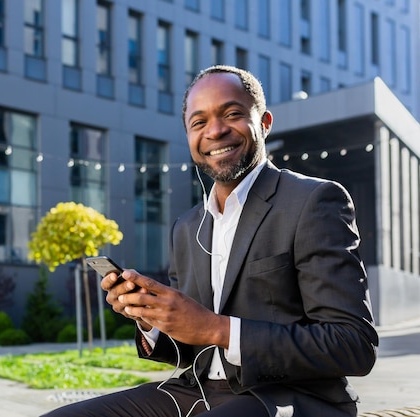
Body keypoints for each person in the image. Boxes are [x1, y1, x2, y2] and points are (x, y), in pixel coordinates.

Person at [42, 65, 378, 417]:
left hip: (288, 397)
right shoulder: (187, 228)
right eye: (198, 122)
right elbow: (188, 351)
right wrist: (151, 320)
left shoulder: (314, 201)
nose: (215, 131)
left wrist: (216, 328)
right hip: (195, 392)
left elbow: (353, 345)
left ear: (264, 123)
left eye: (232, 114)